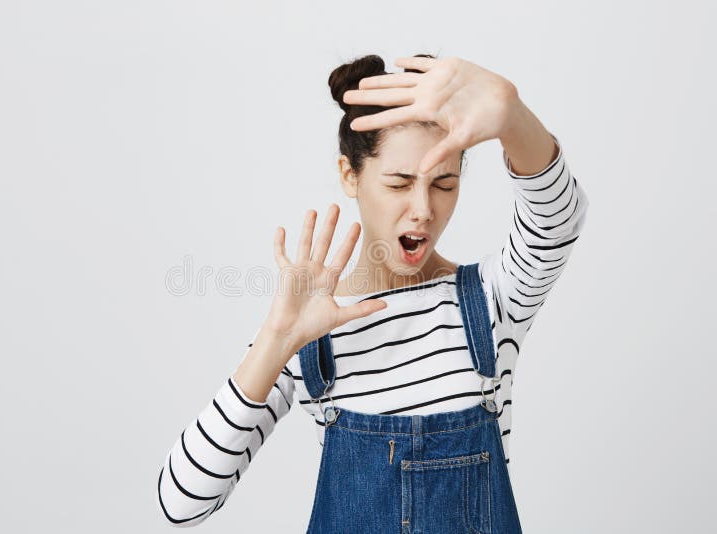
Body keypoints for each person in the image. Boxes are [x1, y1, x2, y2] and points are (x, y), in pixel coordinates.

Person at [156, 53, 589, 532]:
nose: (423, 209)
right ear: (350, 175)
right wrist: (276, 340)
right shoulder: (312, 328)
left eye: (444, 184)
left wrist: (510, 112)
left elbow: (557, 221)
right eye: (400, 183)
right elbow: (183, 501)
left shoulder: (491, 301)